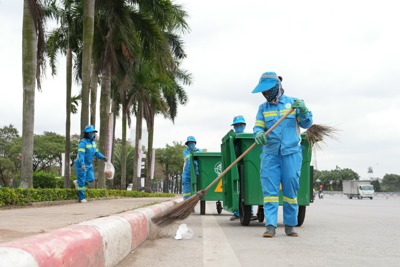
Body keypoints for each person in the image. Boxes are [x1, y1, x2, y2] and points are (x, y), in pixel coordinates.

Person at [252, 72, 313, 237]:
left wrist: (304, 111)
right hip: (270, 154)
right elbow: (258, 127)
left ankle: (290, 225)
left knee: (290, 191)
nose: (265, 94)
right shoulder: (263, 108)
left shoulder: (294, 104)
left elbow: (307, 124)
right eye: (263, 92)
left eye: (267, 90)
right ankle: (270, 226)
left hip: (291, 154)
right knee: (270, 192)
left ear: (276, 87)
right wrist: (258, 134)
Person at [229, 115, 258, 222]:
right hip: (236, 167)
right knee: (238, 190)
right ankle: (237, 213)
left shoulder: (248, 138)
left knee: (248, 189)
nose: (239, 127)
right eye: (236, 125)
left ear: (244, 125)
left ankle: (249, 213)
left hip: (247, 168)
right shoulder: (232, 138)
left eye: (240, 125)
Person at [73, 125, 107, 203]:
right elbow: (81, 154)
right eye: (90, 132)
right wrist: (82, 164)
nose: (92, 134)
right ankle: (82, 198)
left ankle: (78, 183)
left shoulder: (93, 143)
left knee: (91, 179)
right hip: (81, 164)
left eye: (93, 132)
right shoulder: (83, 143)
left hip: (89, 164)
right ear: (86, 133)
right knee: (82, 180)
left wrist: (103, 157)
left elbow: (97, 153)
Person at [182, 136, 202, 201]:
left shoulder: (199, 151)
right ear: (187, 144)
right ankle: (186, 204)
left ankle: (193, 203)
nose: (191, 144)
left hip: (197, 173)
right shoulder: (185, 152)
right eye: (189, 143)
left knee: (197, 189)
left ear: (195, 143)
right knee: (187, 192)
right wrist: (195, 162)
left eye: (192, 143)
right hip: (187, 174)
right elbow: (189, 160)